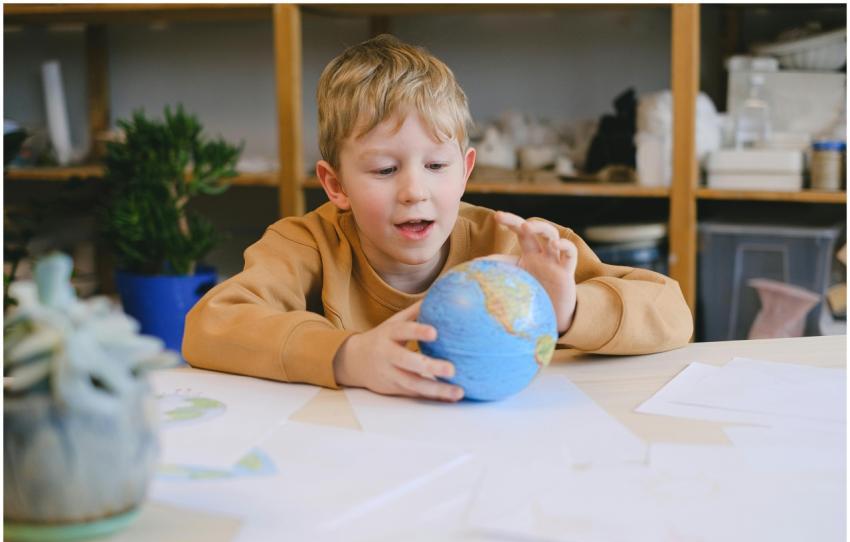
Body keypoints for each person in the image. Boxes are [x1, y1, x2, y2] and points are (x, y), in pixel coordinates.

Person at [183, 34, 693, 402]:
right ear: (335, 184)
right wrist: (347, 356)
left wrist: (569, 310)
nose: (414, 191)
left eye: (436, 166)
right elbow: (209, 326)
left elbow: (673, 314)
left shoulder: (516, 245)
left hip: (494, 452)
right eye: (384, 169)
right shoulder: (305, 243)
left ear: (466, 171)